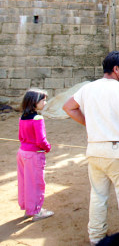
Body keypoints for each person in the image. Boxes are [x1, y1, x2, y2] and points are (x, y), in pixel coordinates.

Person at [63, 51, 119, 245]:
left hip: (95, 150)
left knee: (98, 196)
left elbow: (68, 107)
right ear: (116, 69)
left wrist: (90, 124)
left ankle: (96, 237)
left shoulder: (88, 89)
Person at [17, 88, 54, 221]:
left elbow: (20, 136)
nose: (45, 102)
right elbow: (41, 140)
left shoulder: (23, 117)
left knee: (25, 181)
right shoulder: (38, 118)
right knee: (36, 183)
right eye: (43, 100)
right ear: (34, 102)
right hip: (34, 154)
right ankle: (36, 211)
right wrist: (47, 147)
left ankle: (28, 208)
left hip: (22, 153)